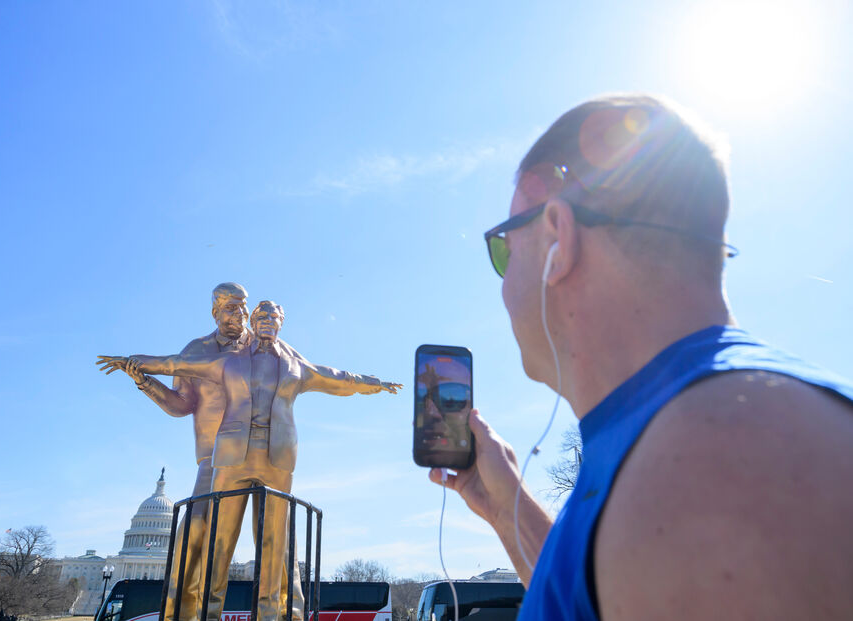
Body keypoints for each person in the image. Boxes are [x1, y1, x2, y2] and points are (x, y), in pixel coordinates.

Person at [433, 94, 853, 620]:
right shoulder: (683, 443)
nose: (502, 285)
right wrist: (507, 510)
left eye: (504, 249)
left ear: (557, 238)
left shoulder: (715, 466)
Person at [102, 300, 401, 621]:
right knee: (217, 545)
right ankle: (206, 614)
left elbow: (340, 378)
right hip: (232, 457)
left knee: (277, 546)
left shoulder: (297, 367)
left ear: (281, 322)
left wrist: (375, 383)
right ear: (252, 323)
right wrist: (135, 363)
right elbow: (177, 364)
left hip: (277, 458)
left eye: (274, 316)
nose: (268, 320)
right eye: (261, 316)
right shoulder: (228, 362)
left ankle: (275, 616)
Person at [100, 282, 251, 621]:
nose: (238, 314)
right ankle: (180, 613)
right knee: (195, 529)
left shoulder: (261, 348)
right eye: (230, 307)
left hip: (257, 456)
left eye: (243, 306)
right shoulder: (196, 349)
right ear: (215, 312)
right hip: (213, 458)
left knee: (261, 536)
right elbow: (181, 405)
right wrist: (145, 381)